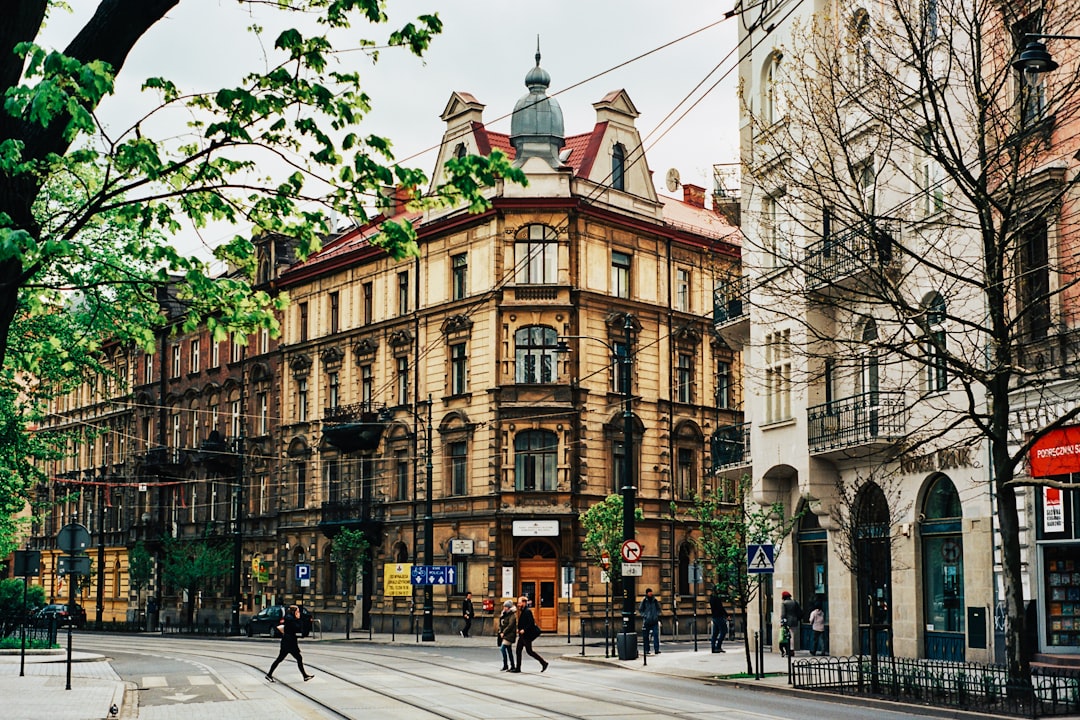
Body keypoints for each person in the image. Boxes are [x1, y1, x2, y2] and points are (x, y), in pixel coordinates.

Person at [265, 605, 313, 683]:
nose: (298, 613)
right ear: (294, 612)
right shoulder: (290, 619)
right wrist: (299, 619)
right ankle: (305, 676)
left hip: (288, 641)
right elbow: (297, 628)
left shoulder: (289, 618)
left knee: (281, 659)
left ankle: (269, 674)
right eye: (297, 611)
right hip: (289, 642)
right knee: (296, 658)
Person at [512, 595, 548, 672]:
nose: (518, 604)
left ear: (524, 603)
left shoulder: (527, 611)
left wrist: (524, 630)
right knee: (518, 650)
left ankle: (544, 663)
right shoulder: (523, 611)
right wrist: (519, 629)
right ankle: (518, 668)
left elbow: (531, 623)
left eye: (519, 603)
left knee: (529, 651)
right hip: (523, 635)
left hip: (527, 635)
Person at [639, 588, 661, 654]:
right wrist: (645, 616)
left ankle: (656, 649)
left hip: (654, 621)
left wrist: (657, 615)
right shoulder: (644, 601)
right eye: (649, 592)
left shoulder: (655, 600)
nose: (650, 593)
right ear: (647, 593)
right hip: (647, 621)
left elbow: (658, 609)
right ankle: (647, 650)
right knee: (646, 636)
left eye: (651, 592)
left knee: (656, 635)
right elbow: (640, 610)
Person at [497, 599, 517, 671]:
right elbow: (501, 623)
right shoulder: (503, 614)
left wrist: (504, 632)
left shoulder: (512, 615)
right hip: (504, 634)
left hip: (509, 635)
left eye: (506, 607)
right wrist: (500, 631)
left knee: (502, 648)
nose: (504, 608)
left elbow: (510, 625)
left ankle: (506, 665)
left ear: (509, 607)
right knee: (509, 650)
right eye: (504, 606)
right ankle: (512, 665)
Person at [709, 586, 729, 653]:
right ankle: (718, 646)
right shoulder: (717, 598)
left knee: (715, 633)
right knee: (724, 631)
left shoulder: (711, 598)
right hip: (719, 617)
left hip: (714, 617)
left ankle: (713, 648)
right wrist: (727, 615)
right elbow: (721, 608)